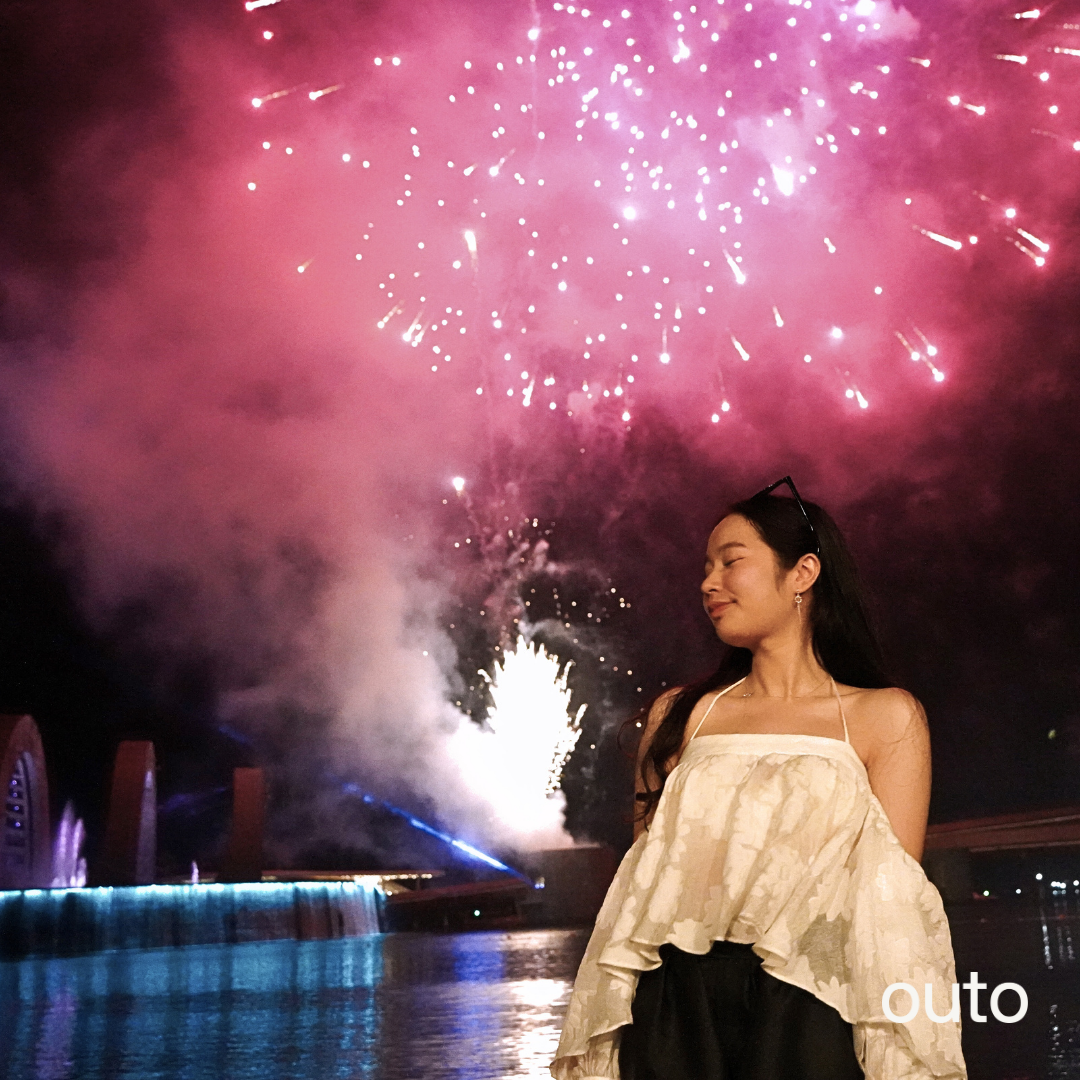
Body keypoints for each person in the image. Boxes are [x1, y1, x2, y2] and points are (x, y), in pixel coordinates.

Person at [550, 478, 967, 1080]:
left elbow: (893, 899)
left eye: (731, 561)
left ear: (802, 573)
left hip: (810, 999)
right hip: (675, 998)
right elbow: (647, 874)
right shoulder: (681, 714)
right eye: (705, 567)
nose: (708, 583)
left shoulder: (885, 716)